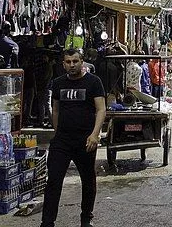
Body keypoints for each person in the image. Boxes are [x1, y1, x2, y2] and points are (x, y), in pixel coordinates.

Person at [41, 48, 106, 227]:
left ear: (82, 62)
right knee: (53, 181)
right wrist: (57, 133)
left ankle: (86, 218)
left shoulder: (94, 82)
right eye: (68, 62)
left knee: (88, 180)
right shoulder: (58, 83)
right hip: (62, 140)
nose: (72, 65)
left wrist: (94, 135)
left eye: (75, 61)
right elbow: (56, 110)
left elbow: (101, 109)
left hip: (85, 140)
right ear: (63, 64)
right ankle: (47, 223)